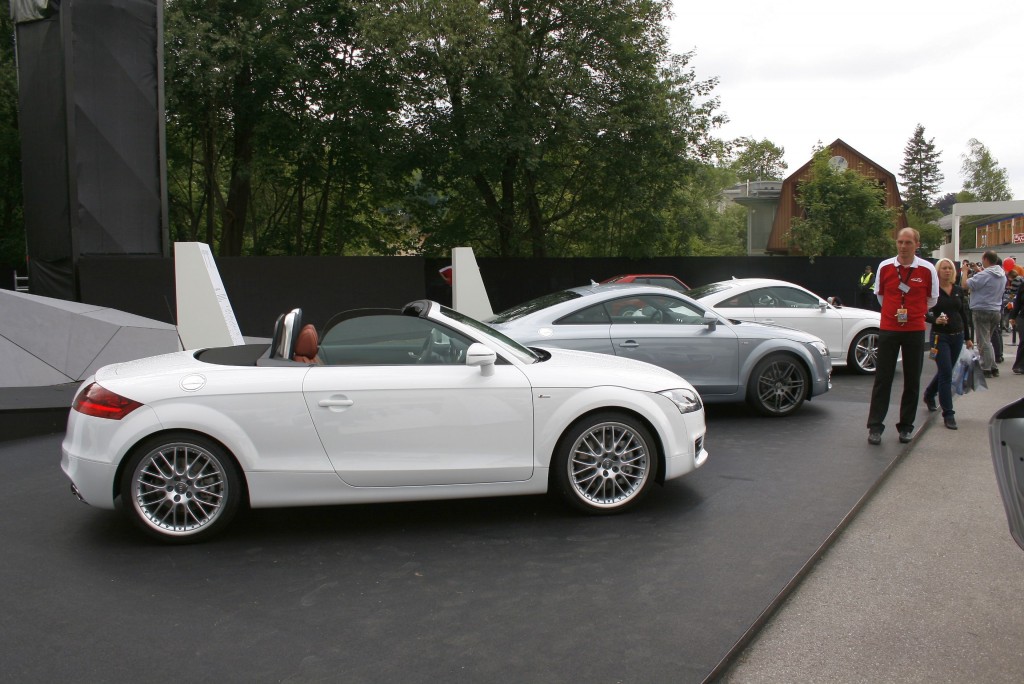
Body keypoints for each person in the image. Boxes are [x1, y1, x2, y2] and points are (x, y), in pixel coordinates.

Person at [866, 228, 939, 445]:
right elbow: (880, 296)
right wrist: (894, 313)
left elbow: (932, 299)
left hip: (914, 329)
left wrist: (914, 312)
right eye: (900, 242)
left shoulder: (927, 269)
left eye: (908, 242)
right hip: (889, 328)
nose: (903, 246)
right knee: (882, 379)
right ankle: (875, 426)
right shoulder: (885, 266)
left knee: (912, 379)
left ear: (917, 244)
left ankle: (906, 426)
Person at [922, 258, 973, 429]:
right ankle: (948, 414)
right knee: (946, 374)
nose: (947, 271)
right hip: (940, 336)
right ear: (937, 271)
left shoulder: (957, 290)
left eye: (950, 268)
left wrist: (968, 337)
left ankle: (929, 393)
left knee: (947, 370)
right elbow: (923, 312)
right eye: (944, 268)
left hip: (957, 335)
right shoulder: (932, 291)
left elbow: (963, 314)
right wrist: (935, 319)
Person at [962, 250, 1006, 377]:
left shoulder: (984, 275)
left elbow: (965, 285)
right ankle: (993, 366)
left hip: (981, 309)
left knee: (983, 341)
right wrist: (978, 270)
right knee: (988, 340)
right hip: (995, 310)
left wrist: (965, 272)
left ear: (986, 259)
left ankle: (986, 367)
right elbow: (987, 277)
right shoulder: (1001, 274)